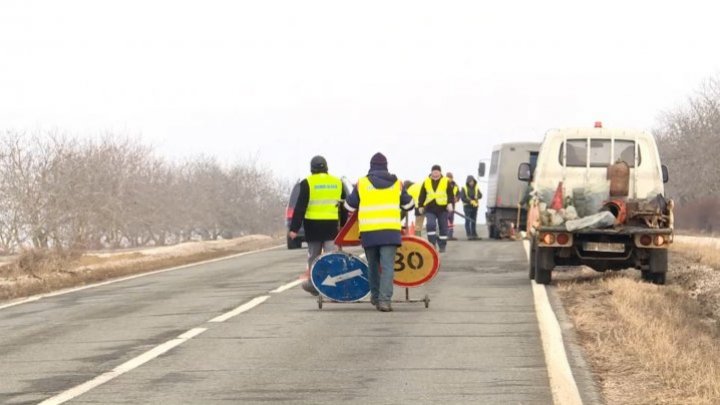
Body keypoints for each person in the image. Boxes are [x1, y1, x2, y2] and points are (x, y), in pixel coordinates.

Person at [345, 153, 414, 312]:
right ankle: (385, 301)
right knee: (388, 266)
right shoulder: (397, 183)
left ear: (371, 166)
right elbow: (409, 204)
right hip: (390, 232)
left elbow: (349, 206)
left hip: (369, 232)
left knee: (373, 266)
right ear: (386, 165)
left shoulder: (362, 183)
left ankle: (375, 297)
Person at [289, 155, 347, 296]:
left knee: (314, 258)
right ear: (326, 167)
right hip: (331, 227)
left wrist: (294, 229)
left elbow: (300, 207)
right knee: (330, 257)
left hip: (313, 227)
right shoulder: (337, 183)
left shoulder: (307, 183)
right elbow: (344, 207)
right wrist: (344, 227)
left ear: (311, 168)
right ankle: (332, 287)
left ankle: (315, 285)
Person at [418, 165, 454, 253]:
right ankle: (432, 243)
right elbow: (422, 194)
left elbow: (450, 194)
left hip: (442, 208)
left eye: (437, 171)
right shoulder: (426, 181)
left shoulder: (446, 181)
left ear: (440, 172)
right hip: (430, 208)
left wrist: (449, 203)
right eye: (434, 171)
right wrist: (420, 205)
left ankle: (442, 245)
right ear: (431, 172)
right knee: (430, 225)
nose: (435, 173)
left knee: (443, 227)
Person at [460, 175, 482, 240]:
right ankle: (469, 235)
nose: (471, 183)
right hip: (467, 207)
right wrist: (470, 201)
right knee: (468, 220)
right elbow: (463, 198)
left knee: (473, 220)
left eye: (472, 181)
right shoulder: (464, 188)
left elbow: (480, 195)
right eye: (470, 181)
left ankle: (474, 234)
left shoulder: (476, 187)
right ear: (467, 182)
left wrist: (477, 196)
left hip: (475, 206)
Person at [445, 172, 460, 240]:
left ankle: (450, 235)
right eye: (448, 178)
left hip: (452, 204)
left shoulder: (455, 185)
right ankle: (445, 234)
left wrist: (457, 198)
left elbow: (458, 194)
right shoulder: (443, 184)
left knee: (451, 219)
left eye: (450, 178)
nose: (449, 179)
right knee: (446, 219)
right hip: (445, 204)